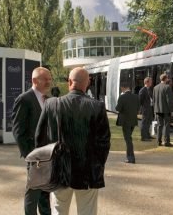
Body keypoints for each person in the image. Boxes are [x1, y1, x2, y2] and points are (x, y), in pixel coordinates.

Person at [35, 67, 111, 214]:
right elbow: (104, 143)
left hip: (59, 171)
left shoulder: (51, 104)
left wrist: (47, 166)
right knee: (87, 211)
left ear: (70, 82)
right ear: (87, 83)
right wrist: (96, 165)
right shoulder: (97, 106)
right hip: (88, 173)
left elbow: (40, 139)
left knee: (58, 210)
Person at [12, 67, 52, 215]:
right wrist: (30, 155)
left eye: (50, 78)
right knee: (33, 192)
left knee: (45, 192)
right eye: (46, 79)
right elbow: (18, 131)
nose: (49, 82)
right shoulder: (24, 99)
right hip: (35, 156)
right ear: (35, 81)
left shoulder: (47, 99)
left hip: (48, 155)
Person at [116, 84, 140, 163]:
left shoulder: (122, 97)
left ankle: (131, 157)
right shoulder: (136, 97)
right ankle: (129, 156)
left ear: (123, 88)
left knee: (128, 140)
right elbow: (138, 109)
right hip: (133, 120)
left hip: (125, 121)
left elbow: (118, 108)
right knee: (129, 138)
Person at [153, 73, 173, 147]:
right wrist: (171, 110)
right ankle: (166, 142)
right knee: (166, 126)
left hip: (158, 110)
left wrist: (155, 110)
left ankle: (158, 141)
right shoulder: (167, 87)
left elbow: (154, 100)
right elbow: (169, 101)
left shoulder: (155, 87)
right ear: (166, 79)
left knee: (159, 126)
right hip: (166, 110)